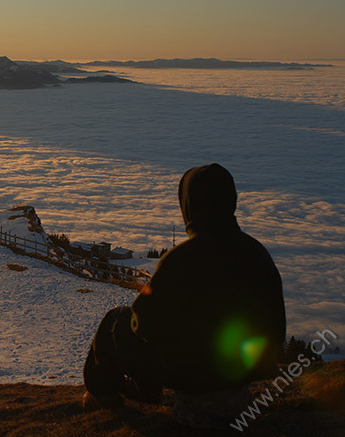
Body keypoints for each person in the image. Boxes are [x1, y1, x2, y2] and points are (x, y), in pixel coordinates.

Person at [83, 163, 286, 408]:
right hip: (246, 369)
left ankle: (103, 394)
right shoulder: (257, 254)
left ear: (189, 205)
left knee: (117, 321)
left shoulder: (181, 259)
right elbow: (276, 329)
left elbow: (144, 323)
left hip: (188, 372)